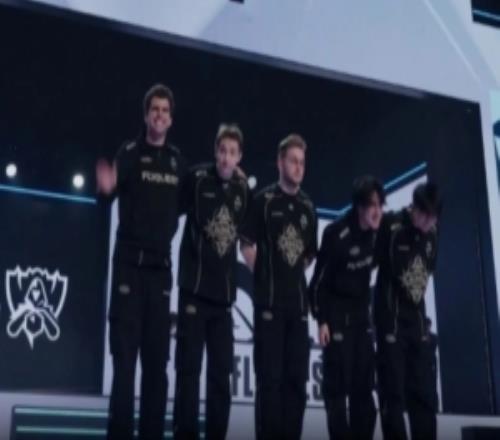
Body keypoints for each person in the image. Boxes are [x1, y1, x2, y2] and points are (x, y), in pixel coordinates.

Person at [96, 84, 187, 440]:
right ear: (146, 115)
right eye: (155, 109)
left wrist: (235, 178)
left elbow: (194, 199)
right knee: (124, 365)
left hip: (160, 274)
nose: (160, 115)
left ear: (171, 119)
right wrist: (105, 189)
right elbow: (106, 196)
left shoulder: (178, 162)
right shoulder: (129, 153)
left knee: (156, 366)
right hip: (128, 271)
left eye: (165, 110)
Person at [173, 123, 251, 440]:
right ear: (215, 151)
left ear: (239, 157)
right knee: (188, 372)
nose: (226, 158)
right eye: (222, 151)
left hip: (223, 299)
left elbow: (248, 240)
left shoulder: (243, 191)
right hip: (193, 292)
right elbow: (169, 209)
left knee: (220, 376)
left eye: (232, 152)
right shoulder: (196, 179)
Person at [240, 134, 317, 440]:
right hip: (268, 305)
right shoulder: (263, 201)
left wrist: (291, 271)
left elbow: (309, 253)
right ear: (280, 162)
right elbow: (246, 244)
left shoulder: (308, 207)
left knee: (296, 382)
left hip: (297, 307)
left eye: (302, 162)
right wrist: (265, 273)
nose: (298, 167)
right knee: (269, 381)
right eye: (293, 161)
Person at [309, 176, 385, 440]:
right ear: (359, 207)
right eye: (372, 205)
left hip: (362, 322)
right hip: (336, 321)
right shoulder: (336, 234)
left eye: (380, 205)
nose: (378, 211)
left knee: (365, 395)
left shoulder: (379, 233)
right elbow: (318, 284)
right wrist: (322, 321)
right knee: (337, 394)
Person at [374, 182, 442, 440]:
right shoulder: (391, 225)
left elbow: (427, 272)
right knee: (392, 396)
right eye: (426, 216)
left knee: (424, 396)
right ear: (415, 209)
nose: (429, 223)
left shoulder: (433, 233)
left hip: (417, 324)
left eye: (434, 218)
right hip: (391, 322)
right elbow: (373, 264)